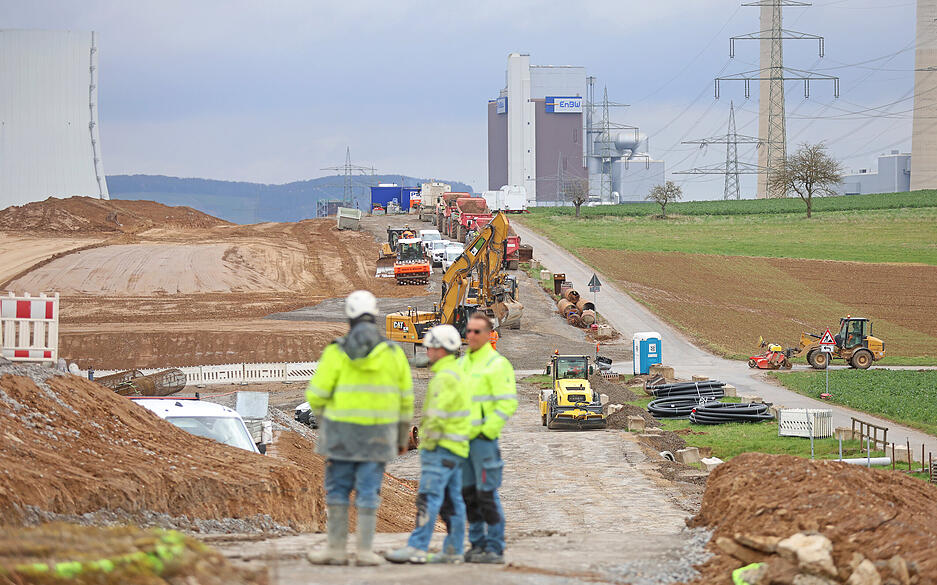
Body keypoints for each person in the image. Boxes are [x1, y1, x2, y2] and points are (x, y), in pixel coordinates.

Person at [305, 290, 414, 567]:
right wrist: (402, 436)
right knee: (368, 491)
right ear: (374, 315)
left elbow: (316, 395)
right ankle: (365, 553)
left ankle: (336, 551)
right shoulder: (392, 353)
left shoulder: (336, 351)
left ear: (350, 317)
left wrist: (326, 422)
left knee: (338, 491)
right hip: (377, 437)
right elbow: (405, 399)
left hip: (341, 436)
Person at [385, 324, 471, 565]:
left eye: (430, 347)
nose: (427, 352)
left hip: (441, 449)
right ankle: (453, 549)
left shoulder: (444, 379)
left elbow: (437, 418)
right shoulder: (456, 374)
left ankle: (417, 547)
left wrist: (425, 446)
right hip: (457, 449)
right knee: (452, 501)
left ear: (441, 349)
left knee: (429, 498)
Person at [460, 314, 517, 564]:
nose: (471, 335)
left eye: (477, 331)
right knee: (469, 495)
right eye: (469, 331)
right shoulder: (463, 364)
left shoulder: (497, 364)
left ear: (488, 335)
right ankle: (477, 545)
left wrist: (487, 431)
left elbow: (507, 403)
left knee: (486, 494)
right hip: (462, 442)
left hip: (483, 442)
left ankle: (494, 547)